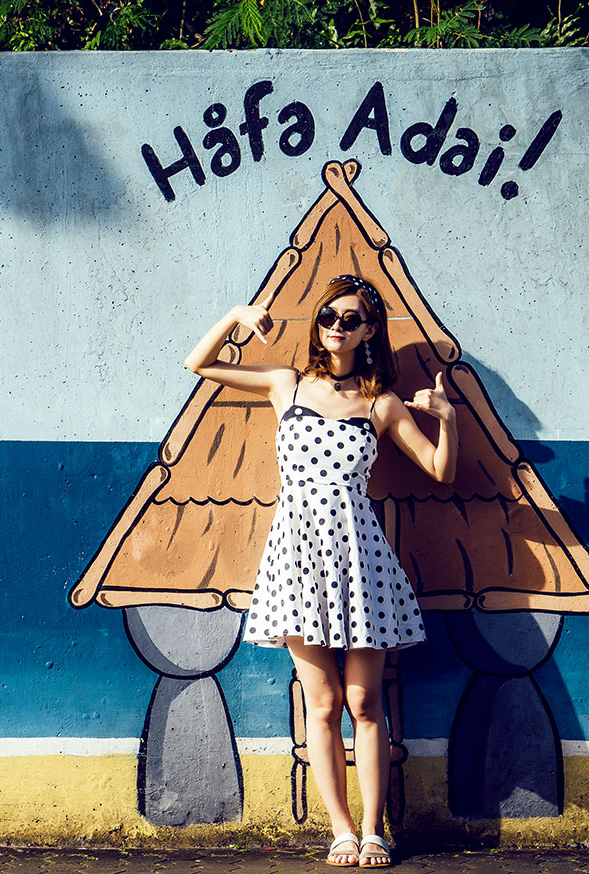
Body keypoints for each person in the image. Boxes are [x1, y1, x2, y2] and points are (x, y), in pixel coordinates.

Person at [184, 274, 457, 868]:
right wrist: (236, 315)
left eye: (351, 318)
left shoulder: (380, 403)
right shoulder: (288, 384)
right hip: (298, 559)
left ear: (370, 330)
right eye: (329, 314)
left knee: (365, 702)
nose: (336, 325)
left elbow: (439, 470)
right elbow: (198, 365)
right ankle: (340, 830)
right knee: (325, 703)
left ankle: (374, 828)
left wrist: (448, 420)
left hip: (361, 563)